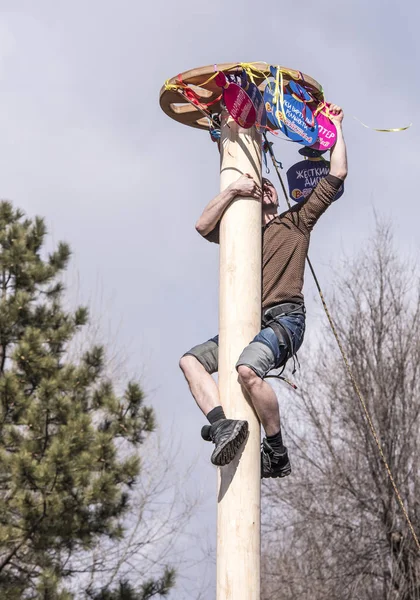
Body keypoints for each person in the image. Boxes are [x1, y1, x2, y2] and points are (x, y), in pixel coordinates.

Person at [179, 105, 348, 477]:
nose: (264, 186)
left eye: (268, 184)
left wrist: (335, 127)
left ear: (276, 194)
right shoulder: (239, 234)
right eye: (258, 183)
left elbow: (338, 172)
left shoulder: (297, 221)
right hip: (247, 322)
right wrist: (234, 189)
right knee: (190, 361)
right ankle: (223, 424)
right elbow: (202, 224)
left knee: (246, 370)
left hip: (284, 319)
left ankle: (276, 448)